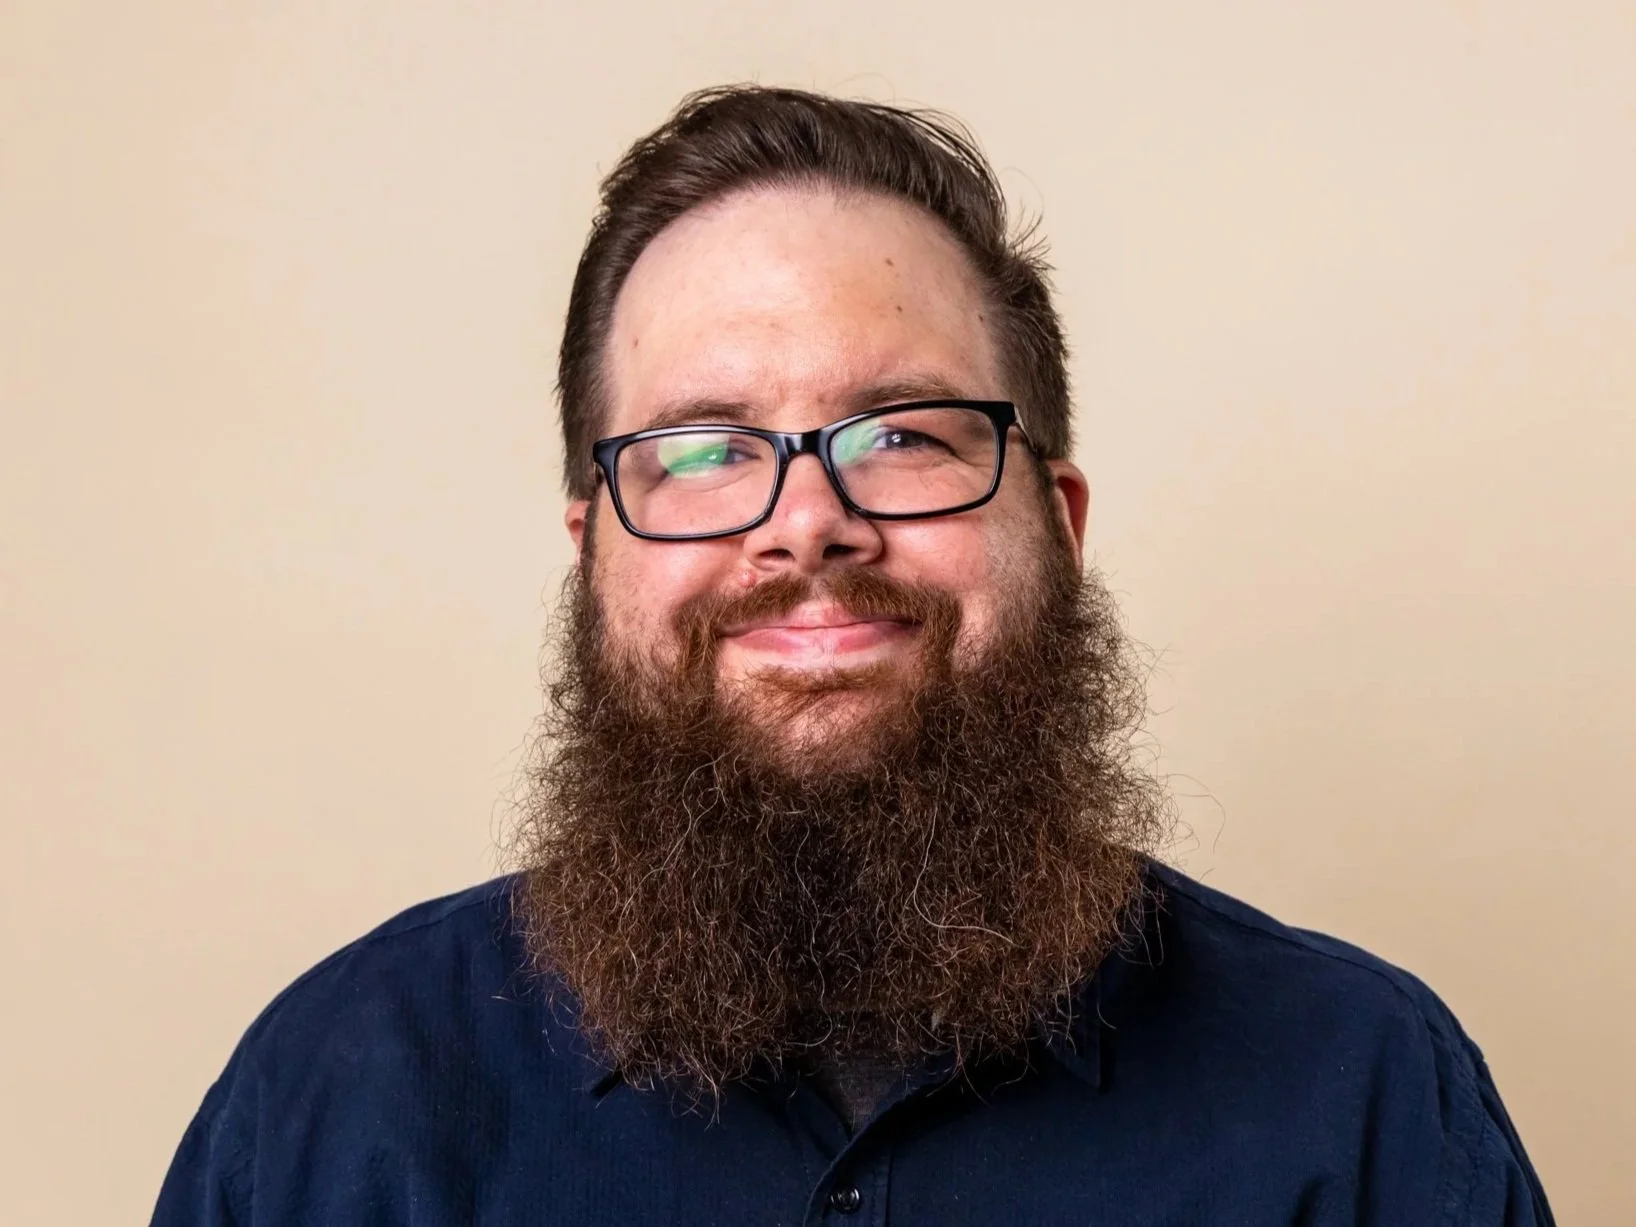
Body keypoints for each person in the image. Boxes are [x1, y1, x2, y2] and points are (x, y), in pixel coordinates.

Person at [151, 86, 1553, 1226]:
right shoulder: (334, 1106)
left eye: (904, 435)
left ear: (1056, 525)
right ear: (595, 551)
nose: (807, 526)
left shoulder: (1364, 1095)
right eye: (703, 451)